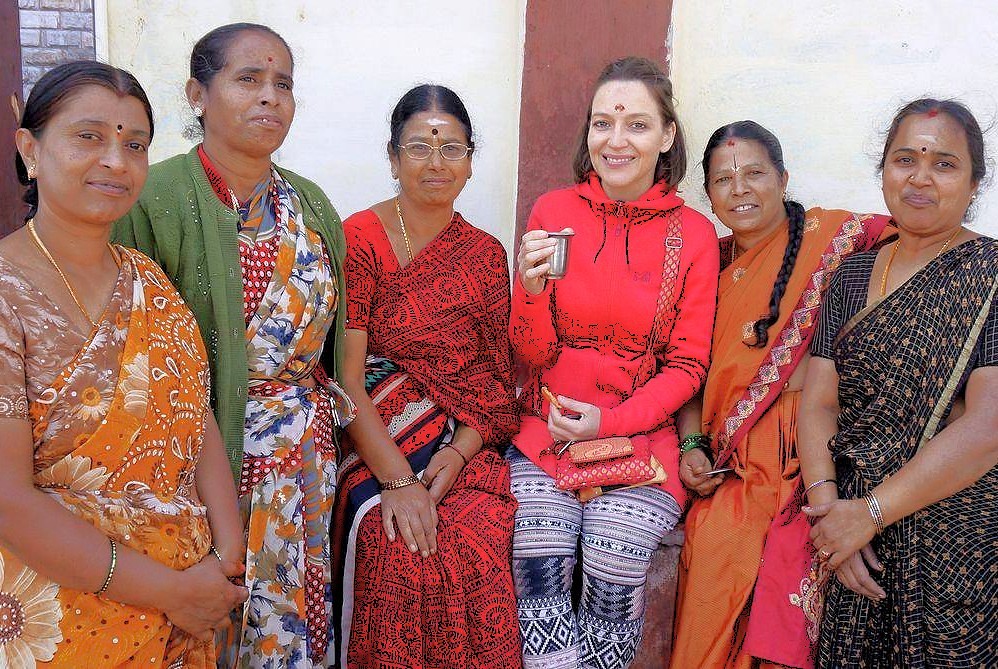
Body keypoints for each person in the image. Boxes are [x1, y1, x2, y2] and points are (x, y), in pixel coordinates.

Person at [113, 23, 352, 668]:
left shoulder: (314, 208)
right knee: (203, 623)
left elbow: (337, 351)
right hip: (194, 462)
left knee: (288, 626)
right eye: (248, 79)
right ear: (198, 93)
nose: (270, 97)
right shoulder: (151, 200)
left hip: (302, 468)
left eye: (283, 85)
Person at [0, 61, 247, 668]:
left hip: (183, 613)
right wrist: (172, 591)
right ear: (30, 148)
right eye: (89, 137)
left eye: (135, 144)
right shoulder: (5, 291)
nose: (116, 160)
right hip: (56, 617)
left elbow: (197, 423)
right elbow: (6, 495)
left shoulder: (149, 281)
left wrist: (227, 556)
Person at [508, 56, 718, 669]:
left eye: (636, 125)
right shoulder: (554, 212)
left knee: (613, 551)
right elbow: (532, 352)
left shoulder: (693, 235)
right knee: (539, 552)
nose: (616, 140)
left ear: (667, 136)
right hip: (546, 433)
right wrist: (532, 286)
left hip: (642, 441)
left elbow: (687, 366)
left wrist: (611, 424)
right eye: (603, 124)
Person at [670, 121, 890, 669]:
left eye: (754, 174)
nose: (740, 190)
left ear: (784, 177)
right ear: (709, 194)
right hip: (738, 465)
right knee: (720, 547)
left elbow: (923, 244)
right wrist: (692, 444)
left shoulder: (836, 237)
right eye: (723, 180)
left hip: (826, 448)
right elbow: (686, 369)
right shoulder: (706, 266)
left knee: (797, 556)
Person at [800, 98, 998, 668]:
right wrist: (831, 513)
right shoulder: (853, 274)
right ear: (883, 169)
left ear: (974, 181)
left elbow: (988, 426)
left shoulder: (988, 275)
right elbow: (818, 403)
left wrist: (872, 513)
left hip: (956, 537)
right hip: (851, 536)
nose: (920, 178)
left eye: (944, 164)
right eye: (905, 159)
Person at [330, 84, 521, 669]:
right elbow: (346, 375)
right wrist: (398, 482)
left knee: (479, 537)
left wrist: (460, 454)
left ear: (469, 162)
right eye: (419, 146)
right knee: (400, 547)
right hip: (374, 434)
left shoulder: (486, 255)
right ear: (392, 158)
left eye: (452, 148)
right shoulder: (357, 239)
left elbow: (492, 382)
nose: (436, 163)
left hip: (460, 440)